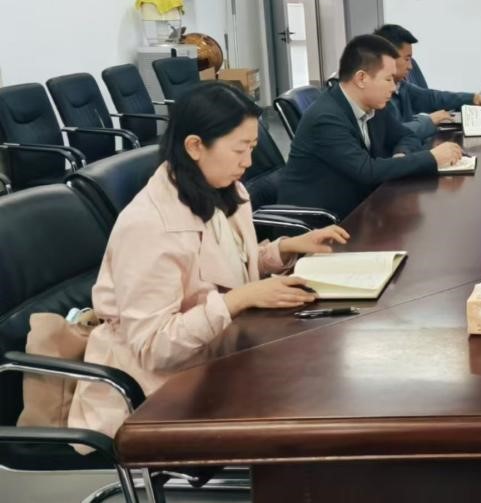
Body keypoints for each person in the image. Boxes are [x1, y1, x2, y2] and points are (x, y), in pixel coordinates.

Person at [67, 82, 350, 439]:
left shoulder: (223, 189)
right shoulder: (149, 225)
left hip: (220, 355)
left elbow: (226, 264)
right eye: (239, 150)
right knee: (307, 408)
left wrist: (284, 248)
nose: (248, 162)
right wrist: (237, 301)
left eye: (252, 148)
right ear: (195, 146)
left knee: (320, 374)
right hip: (155, 392)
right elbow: (153, 348)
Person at [278, 34, 463, 218]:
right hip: (323, 221)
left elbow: (406, 136)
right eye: (388, 79)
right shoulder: (326, 118)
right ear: (361, 78)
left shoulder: (373, 104)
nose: (393, 88)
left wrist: (401, 155)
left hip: (362, 206)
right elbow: (366, 171)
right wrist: (432, 157)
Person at [374, 24, 481, 144]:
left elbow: (432, 98)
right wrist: (429, 121)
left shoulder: (401, 86)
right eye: (407, 59)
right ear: (387, 58)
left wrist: (472, 98)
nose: (410, 66)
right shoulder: (376, 96)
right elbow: (393, 134)